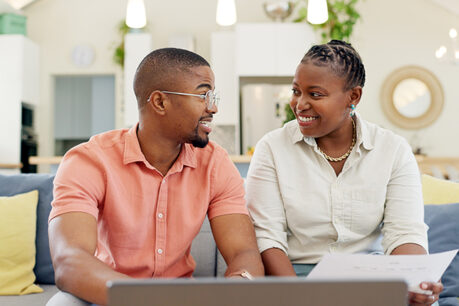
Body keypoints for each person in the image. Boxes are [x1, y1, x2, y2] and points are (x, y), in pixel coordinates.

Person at [47, 48, 264, 306]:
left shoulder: (215, 163)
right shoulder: (89, 161)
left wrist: (236, 288)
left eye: (213, 96)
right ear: (160, 102)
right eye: (203, 95)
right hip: (109, 296)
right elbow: (70, 262)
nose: (213, 107)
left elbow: (244, 252)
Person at [246, 40, 443, 306]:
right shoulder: (272, 148)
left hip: (371, 280)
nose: (300, 104)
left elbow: (405, 233)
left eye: (315, 94)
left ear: (353, 97)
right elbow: (267, 237)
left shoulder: (393, 150)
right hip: (296, 279)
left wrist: (414, 282)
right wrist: (298, 297)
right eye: (296, 91)